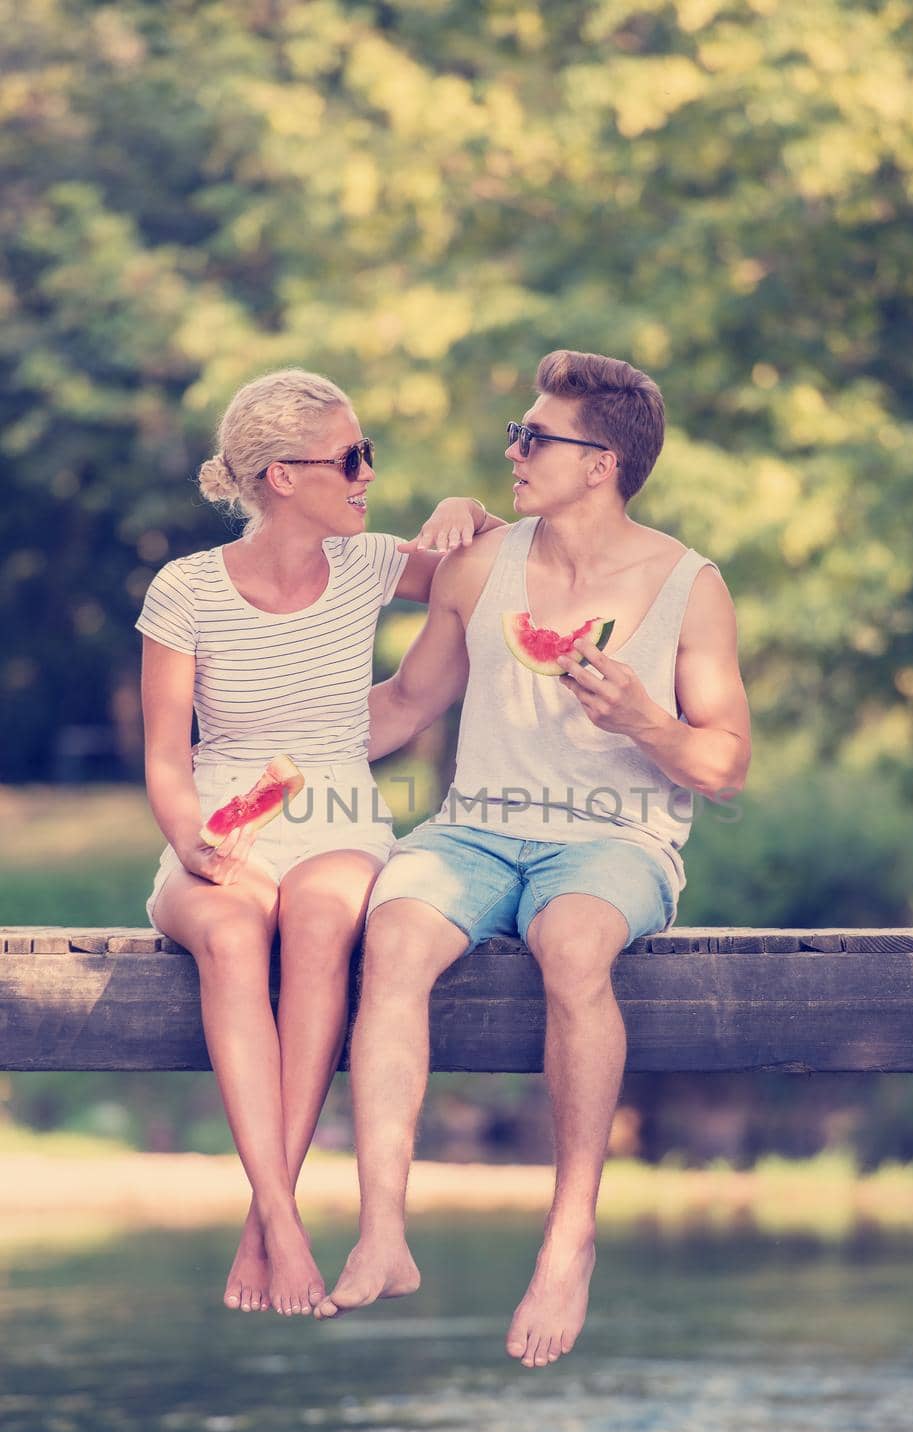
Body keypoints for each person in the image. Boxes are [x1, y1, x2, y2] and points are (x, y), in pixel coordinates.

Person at [315, 350, 752, 1366]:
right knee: (394, 930)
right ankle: (383, 1227)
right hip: (472, 829)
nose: (511, 449)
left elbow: (723, 767)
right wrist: (260, 744)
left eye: (533, 436)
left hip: (617, 838)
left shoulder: (689, 586)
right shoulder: (482, 562)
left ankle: (569, 1237)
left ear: (599, 462)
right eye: (515, 433)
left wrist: (645, 719)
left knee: (571, 946)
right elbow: (407, 703)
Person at [136, 367, 503, 1317]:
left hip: (338, 815)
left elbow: (488, 570)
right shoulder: (184, 591)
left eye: (365, 454)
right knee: (228, 934)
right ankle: (283, 1218)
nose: (367, 474)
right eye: (350, 457)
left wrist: (468, 509)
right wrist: (195, 845)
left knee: (324, 913)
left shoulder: (374, 562)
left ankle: (269, 1220)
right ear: (281, 477)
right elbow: (168, 765)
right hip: (218, 820)